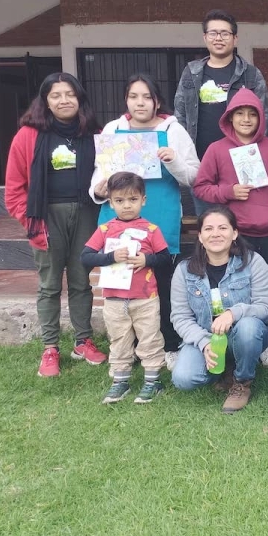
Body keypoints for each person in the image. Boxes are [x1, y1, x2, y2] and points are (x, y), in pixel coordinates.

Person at [90, 73, 200, 370]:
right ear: (126, 100)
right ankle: (129, 348)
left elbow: (193, 176)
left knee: (160, 284)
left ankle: (168, 342)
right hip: (117, 223)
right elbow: (98, 178)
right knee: (121, 282)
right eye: (134, 96)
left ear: (157, 101)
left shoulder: (173, 130)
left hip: (159, 219)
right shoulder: (114, 129)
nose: (140, 102)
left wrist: (173, 160)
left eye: (146, 97)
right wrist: (99, 189)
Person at [4, 72, 107, 377]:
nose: (64, 100)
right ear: (45, 101)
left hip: (87, 212)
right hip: (46, 215)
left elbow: (109, 173)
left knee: (80, 280)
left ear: (80, 99)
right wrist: (31, 220)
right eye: (55, 95)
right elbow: (14, 189)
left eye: (69, 94)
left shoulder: (95, 134)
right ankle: (50, 347)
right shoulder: (29, 135)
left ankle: (83, 340)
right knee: (49, 284)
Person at [193, 86, 268, 369]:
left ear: (261, 118)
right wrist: (228, 192)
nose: (246, 119)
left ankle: (267, 342)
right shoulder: (216, 149)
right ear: (229, 118)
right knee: (237, 288)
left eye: (252, 114)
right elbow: (201, 187)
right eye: (240, 114)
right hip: (235, 235)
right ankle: (237, 338)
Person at [169, 206, 268, 414]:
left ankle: (241, 381)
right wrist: (203, 342)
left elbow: (264, 307)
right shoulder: (184, 270)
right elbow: (180, 317)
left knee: (248, 328)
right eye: (208, 229)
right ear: (200, 236)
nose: (215, 234)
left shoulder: (253, 262)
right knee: (184, 379)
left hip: (242, 334)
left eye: (223, 228)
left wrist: (233, 313)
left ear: (234, 233)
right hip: (207, 337)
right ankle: (223, 370)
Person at [82, 172, 170, 404]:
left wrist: (146, 260)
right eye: (119, 201)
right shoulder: (104, 230)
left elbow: (165, 260)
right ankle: (120, 382)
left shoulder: (152, 230)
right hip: (113, 299)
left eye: (132, 199)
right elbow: (86, 257)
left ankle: (153, 381)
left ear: (144, 200)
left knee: (150, 337)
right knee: (119, 340)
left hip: (145, 298)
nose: (126, 205)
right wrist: (110, 256)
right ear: (110, 202)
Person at [173, 9, 268, 214]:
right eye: (213, 33)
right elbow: (180, 115)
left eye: (225, 33)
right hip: (203, 162)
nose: (219, 38)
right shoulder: (191, 72)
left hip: (241, 162)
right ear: (205, 37)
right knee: (210, 226)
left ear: (235, 39)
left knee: (244, 224)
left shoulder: (250, 74)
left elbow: (263, 117)